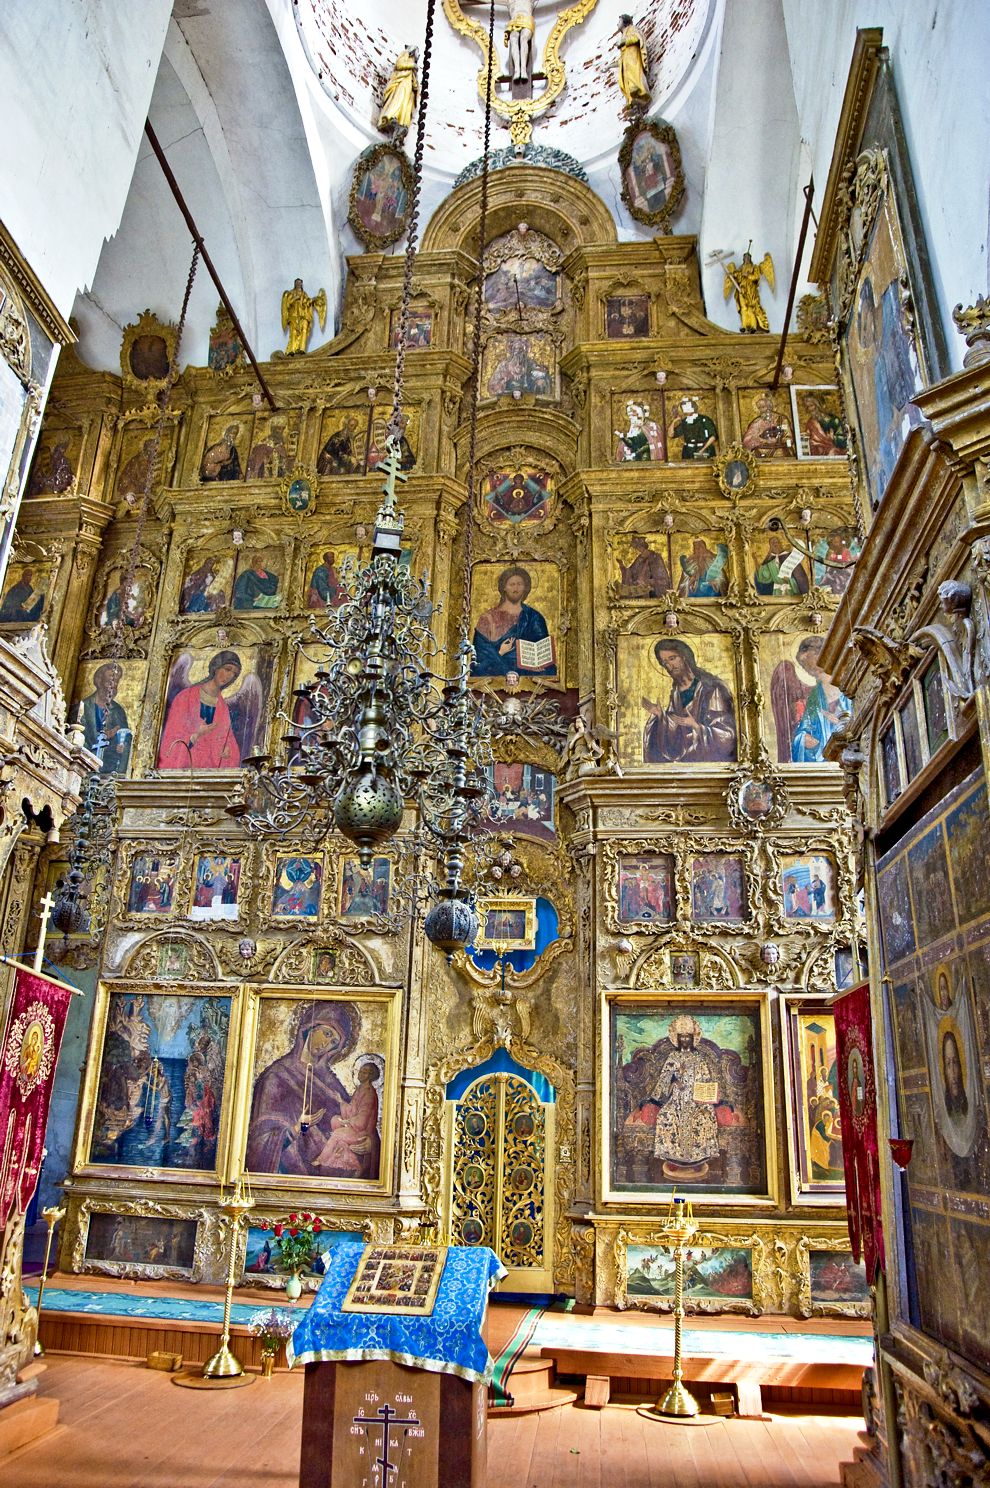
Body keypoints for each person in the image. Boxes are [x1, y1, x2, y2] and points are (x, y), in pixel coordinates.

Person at [245, 1004, 357, 1175]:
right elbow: (259, 1142)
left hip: (335, 1172)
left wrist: (368, 1142)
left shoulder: (331, 1083)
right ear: (310, 1027)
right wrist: (298, 1128)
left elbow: (354, 1121)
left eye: (333, 1042)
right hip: (294, 1170)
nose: (326, 1044)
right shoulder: (276, 1076)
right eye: (327, 1034)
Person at [642, 638, 737, 763]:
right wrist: (661, 716)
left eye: (672, 658)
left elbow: (728, 735)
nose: (669, 666)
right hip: (685, 761)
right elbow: (676, 732)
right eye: (664, 663)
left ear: (684, 656)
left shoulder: (712, 688)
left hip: (708, 762)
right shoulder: (676, 692)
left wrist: (696, 727)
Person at [647, 1016, 720, 1171]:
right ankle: (674, 1157)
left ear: (693, 1038)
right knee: (665, 1116)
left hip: (696, 1100)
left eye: (688, 1036)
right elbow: (664, 1078)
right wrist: (674, 1080)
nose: (685, 1039)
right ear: (677, 1038)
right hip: (677, 1099)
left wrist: (703, 1092)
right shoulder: (673, 1057)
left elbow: (706, 1079)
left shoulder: (699, 1058)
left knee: (706, 1116)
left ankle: (698, 1158)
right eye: (682, 1037)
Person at [157, 649, 243, 770]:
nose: (229, 676)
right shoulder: (185, 697)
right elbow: (171, 736)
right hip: (185, 768)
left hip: (208, 771)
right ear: (216, 667)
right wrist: (196, 734)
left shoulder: (223, 708)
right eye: (227, 669)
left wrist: (228, 749)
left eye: (234, 674)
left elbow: (228, 739)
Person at [472, 565, 556, 677]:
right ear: (504, 587)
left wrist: (540, 665)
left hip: (529, 675)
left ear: (526, 588)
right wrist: (500, 653)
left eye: (520, 584)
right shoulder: (487, 618)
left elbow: (543, 653)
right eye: (511, 584)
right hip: (496, 675)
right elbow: (479, 659)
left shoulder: (534, 617)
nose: (515, 589)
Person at [314, 1061, 381, 1178]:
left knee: (337, 1134)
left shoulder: (369, 1093)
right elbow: (352, 1110)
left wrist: (348, 1122)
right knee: (335, 1119)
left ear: (370, 1076)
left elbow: (362, 1120)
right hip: (354, 1126)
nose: (360, 1074)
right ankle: (341, 1147)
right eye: (360, 1071)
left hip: (361, 1132)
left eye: (364, 1072)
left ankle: (321, 1159)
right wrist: (341, 1101)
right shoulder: (360, 1089)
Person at [79, 661, 131, 774]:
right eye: (109, 681)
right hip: (83, 765)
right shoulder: (84, 706)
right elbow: (78, 735)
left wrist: (121, 746)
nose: (112, 685)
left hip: (108, 768)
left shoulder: (118, 711)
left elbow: (125, 737)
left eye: (116, 682)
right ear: (99, 681)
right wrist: (104, 736)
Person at [723, 250, 774, 333]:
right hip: (741, 290)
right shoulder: (741, 268)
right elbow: (738, 277)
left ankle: (753, 326)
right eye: (745, 258)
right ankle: (744, 325)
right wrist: (733, 275)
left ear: (750, 258)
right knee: (743, 308)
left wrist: (748, 275)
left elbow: (756, 277)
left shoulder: (754, 267)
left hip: (751, 290)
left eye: (748, 257)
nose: (746, 259)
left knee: (751, 308)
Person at [281, 278, 326, 356]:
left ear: (301, 284)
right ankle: (291, 350)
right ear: (294, 284)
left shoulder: (304, 294)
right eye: (297, 283)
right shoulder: (291, 293)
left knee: (304, 330)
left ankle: (302, 348)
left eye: (300, 283)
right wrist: (295, 298)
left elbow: (307, 303)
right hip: (294, 316)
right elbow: (287, 304)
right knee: (293, 332)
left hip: (303, 315)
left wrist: (313, 299)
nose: (298, 284)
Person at [378, 45, 418, 132]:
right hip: (402, 82)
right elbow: (400, 64)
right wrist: (412, 65)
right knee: (398, 99)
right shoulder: (406, 53)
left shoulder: (413, 63)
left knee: (405, 103)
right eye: (417, 52)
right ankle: (390, 116)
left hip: (408, 85)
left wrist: (415, 85)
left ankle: (401, 122)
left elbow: (414, 79)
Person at [743, 392, 794, 457]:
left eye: (763, 407)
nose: (762, 410)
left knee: (779, 453)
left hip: (779, 448)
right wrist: (764, 440)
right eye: (759, 408)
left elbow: (789, 437)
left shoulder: (781, 420)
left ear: (770, 406)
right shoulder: (757, 422)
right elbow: (747, 440)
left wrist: (778, 440)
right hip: (762, 449)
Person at [616, 14, 650, 107]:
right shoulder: (624, 34)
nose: (617, 24)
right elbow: (621, 59)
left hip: (633, 59)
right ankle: (632, 100)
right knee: (628, 83)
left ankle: (641, 93)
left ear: (624, 21)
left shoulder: (631, 28)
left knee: (635, 81)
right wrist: (609, 66)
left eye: (619, 21)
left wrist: (624, 41)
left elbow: (637, 37)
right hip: (626, 63)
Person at [504, 0, 535, 86]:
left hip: (527, 20)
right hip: (514, 21)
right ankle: (517, 70)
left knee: (524, 38)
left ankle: (523, 70)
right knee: (513, 39)